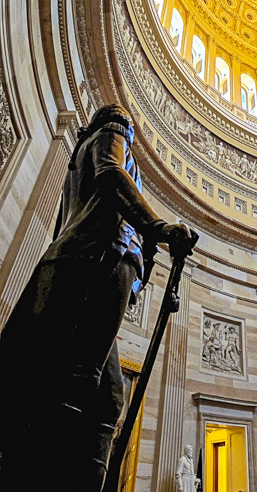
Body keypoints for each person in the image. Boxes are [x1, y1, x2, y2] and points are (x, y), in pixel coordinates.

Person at [0, 104, 193, 492]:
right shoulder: (109, 134)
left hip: (95, 262)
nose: (129, 134)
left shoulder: (80, 161)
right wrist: (157, 227)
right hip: (98, 260)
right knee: (77, 381)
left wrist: (141, 268)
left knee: (109, 398)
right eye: (127, 128)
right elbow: (111, 175)